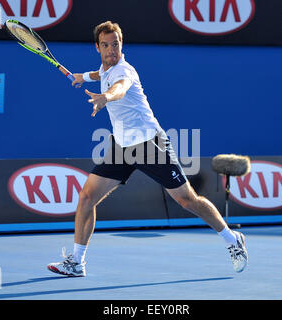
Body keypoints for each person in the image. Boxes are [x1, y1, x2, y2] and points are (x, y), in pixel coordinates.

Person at [47, 21, 248, 277]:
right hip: (121, 147)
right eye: (106, 45)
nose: (111, 50)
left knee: (188, 200)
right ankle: (77, 261)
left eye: (116, 44)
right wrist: (83, 77)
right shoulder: (105, 67)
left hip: (150, 145)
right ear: (97, 47)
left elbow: (118, 88)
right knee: (87, 197)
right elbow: (102, 74)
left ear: (122, 44)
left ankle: (232, 240)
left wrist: (105, 98)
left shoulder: (125, 71)